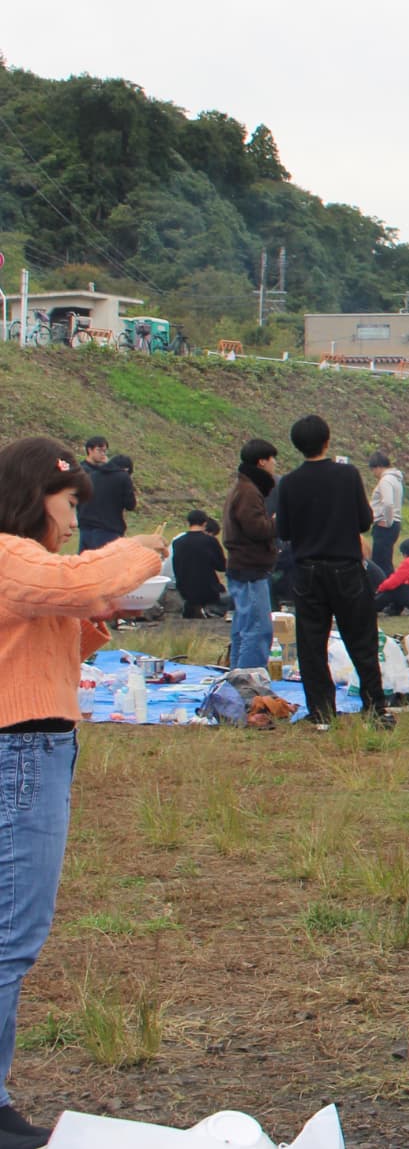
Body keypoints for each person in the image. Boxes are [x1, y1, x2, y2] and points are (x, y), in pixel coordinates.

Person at [0, 437, 167, 1147]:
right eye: (68, 506)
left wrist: (91, 623)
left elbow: (46, 637)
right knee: (12, 935)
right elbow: (76, 579)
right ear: (37, 495)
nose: (71, 524)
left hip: (34, 748)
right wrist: (150, 550)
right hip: (23, 752)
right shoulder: (10, 554)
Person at [273, 415, 390, 730]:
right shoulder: (347, 474)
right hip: (345, 568)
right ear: (327, 440)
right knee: (361, 638)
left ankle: (322, 713)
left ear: (297, 446)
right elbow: (364, 521)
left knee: (311, 643)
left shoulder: (289, 482)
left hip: (307, 570)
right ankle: (376, 707)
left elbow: (283, 529)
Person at [222, 438, 281, 670]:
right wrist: (275, 523)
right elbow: (256, 528)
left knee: (243, 626)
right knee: (258, 629)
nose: (275, 464)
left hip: (242, 566)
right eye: (272, 459)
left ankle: (236, 677)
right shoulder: (248, 491)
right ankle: (249, 679)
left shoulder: (242, 486)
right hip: (250, 569)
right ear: (262, 462)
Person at [74, 436, 136, 552]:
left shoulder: (94, 475)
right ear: (89, 450)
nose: (103, 454)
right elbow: (130, 505)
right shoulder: (82, 471)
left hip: (85, 526)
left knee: (84, 565)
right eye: (99, 450)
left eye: (105, 451)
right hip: (108, 529)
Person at [171, 510, 227, 618]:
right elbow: (221, 566)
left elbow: (176, 567)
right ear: (205, 523)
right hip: (209, 591)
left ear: (188, 523)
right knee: (235, 597)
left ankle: (194, 608)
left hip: (184, 591)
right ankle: (210, 609)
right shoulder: (210, 541)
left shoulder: (177, 542)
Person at [369, 451, 404, 574]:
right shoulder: (396, 479)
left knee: (380, 563)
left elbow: (388, 503)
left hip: (385, 525)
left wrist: (388, 521)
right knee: (385, 560)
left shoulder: (386, 480)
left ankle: (383, 589)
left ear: (378, 467)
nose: (373, 474)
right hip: (395, 524)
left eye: (373, 470)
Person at [377, 538, 409, 616]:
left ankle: (369, 607)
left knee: (398, 589)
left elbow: (392, 583)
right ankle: (394, 609)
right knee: (403, 587)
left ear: (405, 553)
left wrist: (379, 589)